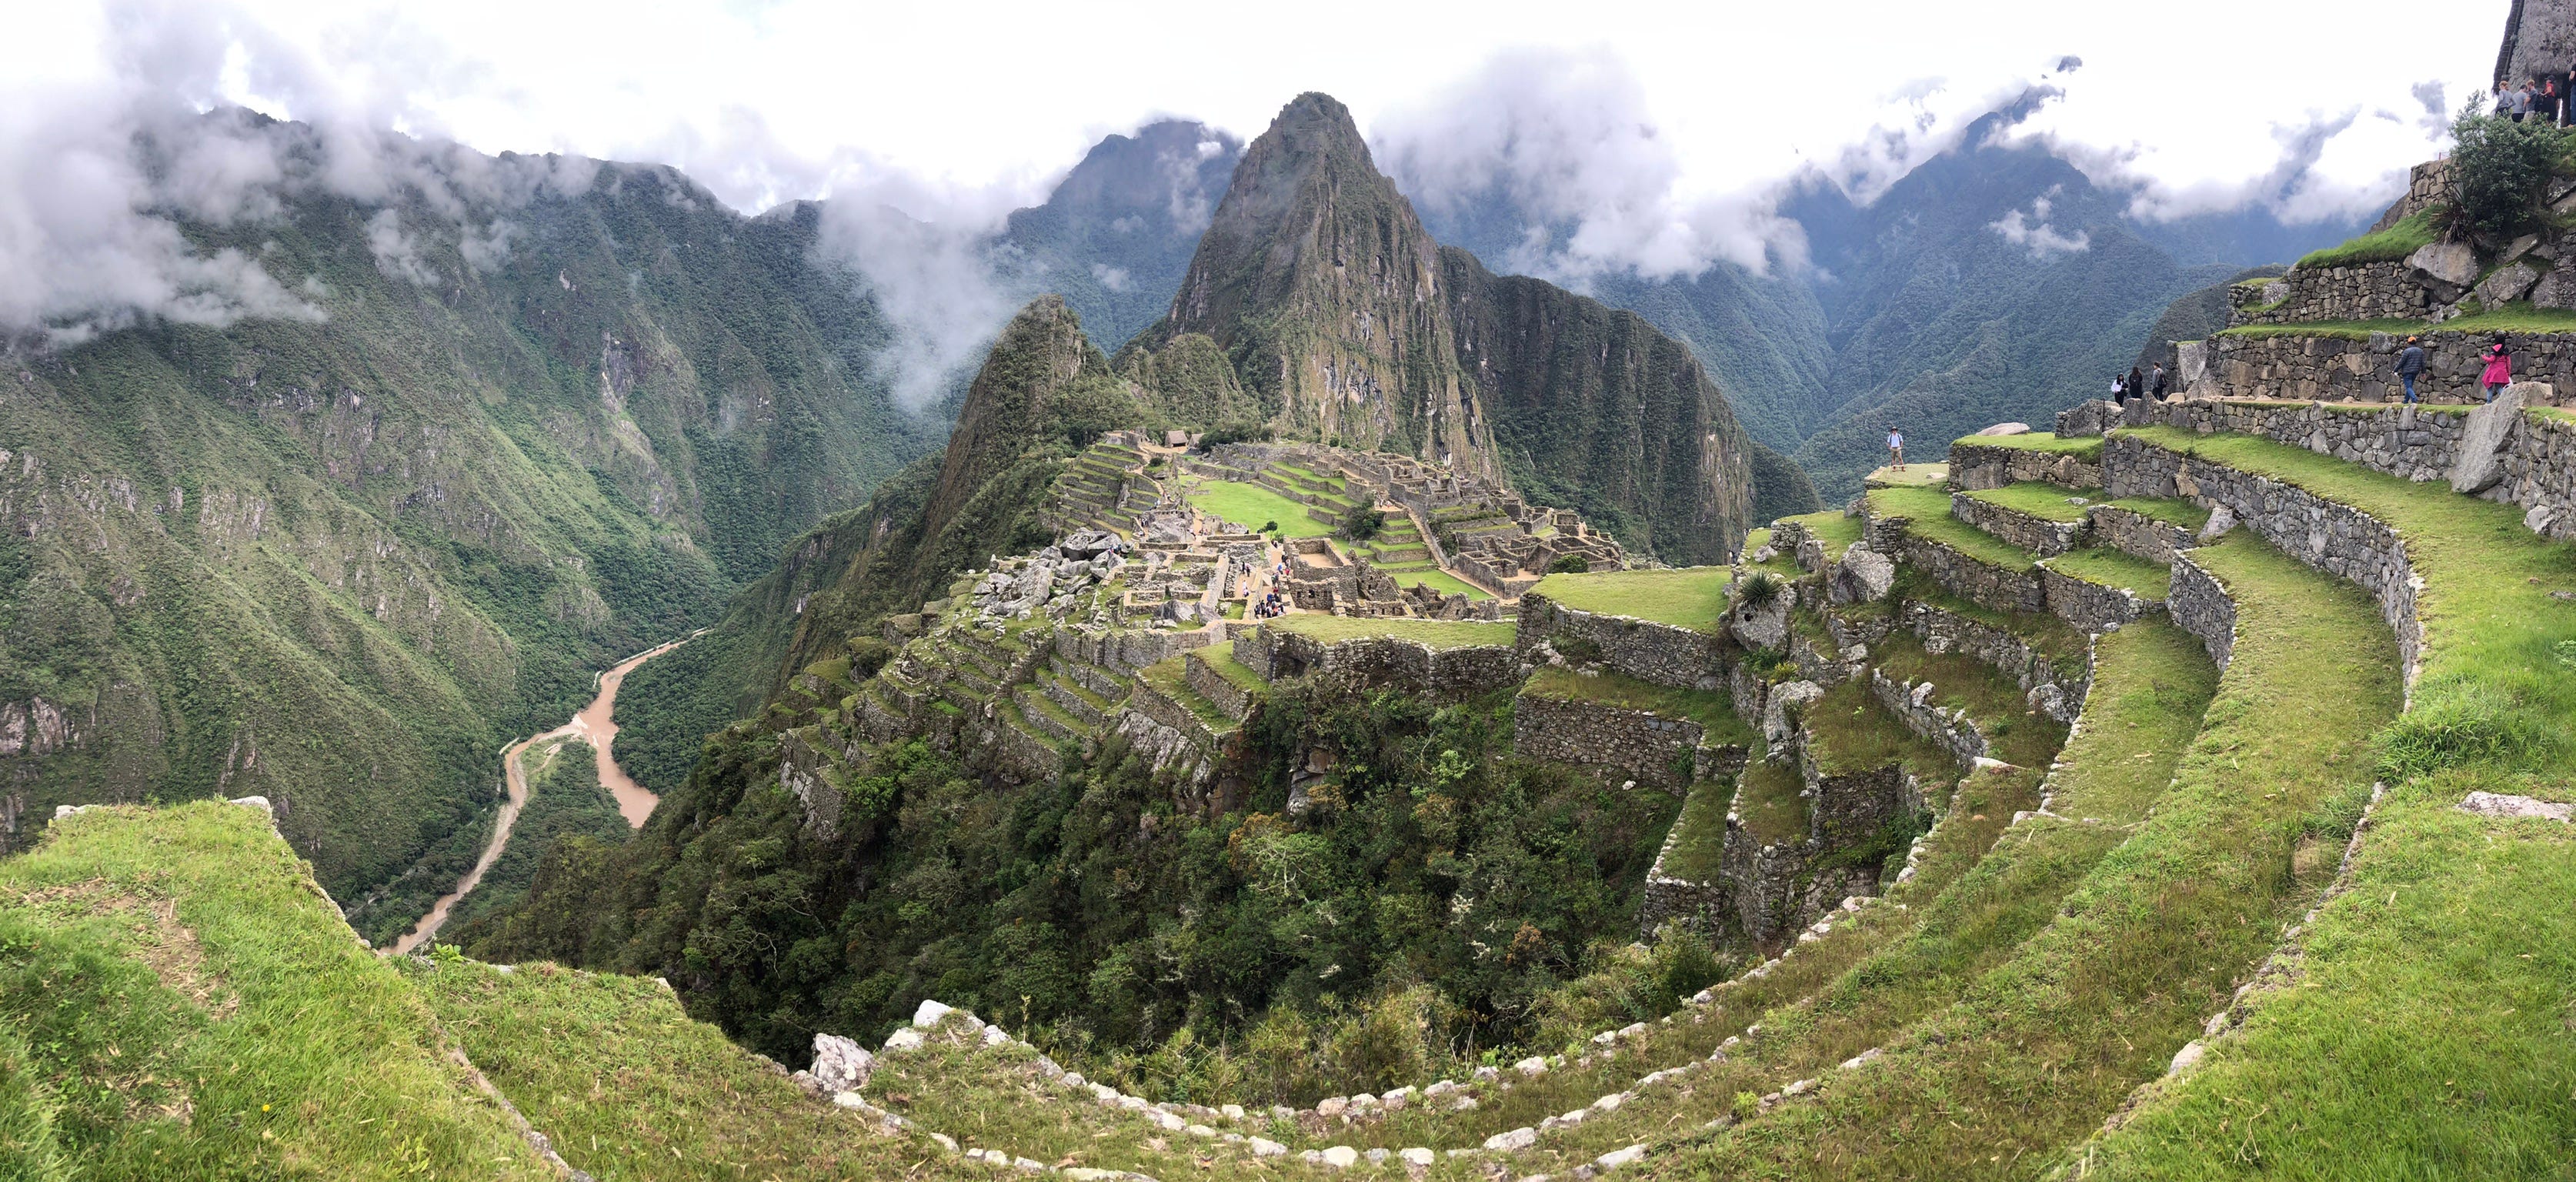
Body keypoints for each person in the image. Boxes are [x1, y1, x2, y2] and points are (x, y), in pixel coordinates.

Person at [2394, 336, 2426, 404]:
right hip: (2415, 372)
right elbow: (2423, 363)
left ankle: (2414, 399)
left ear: (2408, 343)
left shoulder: (2407, 351)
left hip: (2407, 372)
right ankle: (2405, 401)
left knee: (2408, 387)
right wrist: (2423, 372)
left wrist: (2395, 370)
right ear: (2415, 343)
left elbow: (2401, 362)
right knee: (2410, 387)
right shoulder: (2420, 351)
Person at [2481, 337, 2514, 402]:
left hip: (2493, 371)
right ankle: (2504, 400)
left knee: (2489, 387)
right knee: (2499, 387)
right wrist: (2508, 373)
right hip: (2502, 371)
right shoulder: (2506, 350)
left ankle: (2489, 401)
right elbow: (2508, 363)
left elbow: (2492, 360)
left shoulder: (2494, 348)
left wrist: (2484, 357)